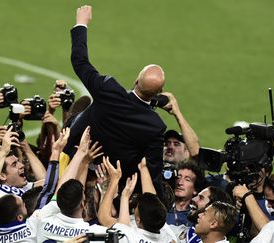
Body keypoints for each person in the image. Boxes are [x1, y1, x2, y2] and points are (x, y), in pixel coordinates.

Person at [63, 5, 167, 197]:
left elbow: (80, 61)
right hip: (112, 188)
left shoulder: (108, 89)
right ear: (159, 93)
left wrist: (81, 24)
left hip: (72, 165)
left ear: (136, 80)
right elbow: (153, 171)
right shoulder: (156, 126)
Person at [166, 161, 205, 227]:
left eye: (187, 179)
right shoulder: (163, 208)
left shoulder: (198, 217)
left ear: (195, 189)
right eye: (178, 177)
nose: (180, 183)